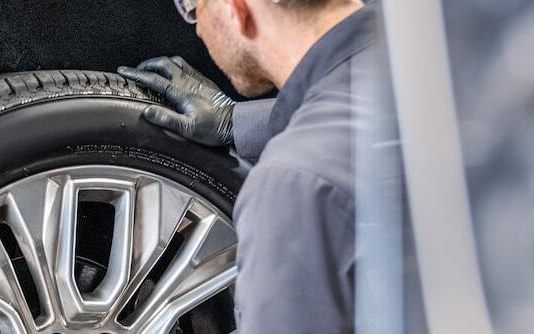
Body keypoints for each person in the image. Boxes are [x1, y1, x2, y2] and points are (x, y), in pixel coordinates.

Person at [116, 0, 386, 332]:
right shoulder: (436, 68)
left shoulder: (292, 189)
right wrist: (235, 121)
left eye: (193, 7)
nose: (198, 29)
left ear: (237, 8)